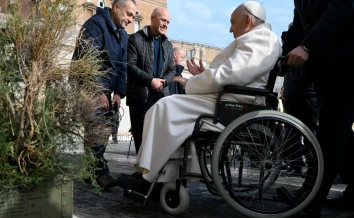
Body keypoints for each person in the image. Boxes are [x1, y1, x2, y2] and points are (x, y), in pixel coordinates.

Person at [119, 1, 282, 192]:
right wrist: (203, 76)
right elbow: (231, 73)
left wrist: (193, 82)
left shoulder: (261, 39)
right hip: (228, 97)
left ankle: (150, 178)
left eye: (233, 22)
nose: (230, 29)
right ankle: (160, 175)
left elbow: (229, 74)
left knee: (165, 107)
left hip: (233, 102)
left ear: (247, 20)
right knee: (167, 108)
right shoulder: (257, 38)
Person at [276, 0, 354, 218]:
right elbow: (301, 24)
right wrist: (281, 59)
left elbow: (341, 8)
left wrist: (307, 46)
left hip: (346, 62)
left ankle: (312, 198)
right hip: (324, 68)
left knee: (330, 131)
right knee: (339, 132)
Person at [72, 0, 137, 189]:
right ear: (116, 7)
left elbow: (121, 65)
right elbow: (89, 60)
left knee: (104, 129)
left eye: (133, 16)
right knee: (95, 126)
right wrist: (97, 90)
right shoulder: (94, 25)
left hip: (107, 87)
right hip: (89, 85)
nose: (131, 20)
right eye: (129, 14)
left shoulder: (123, 34)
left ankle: (90, 171)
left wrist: (118, 92)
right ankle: (100, 172)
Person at [126, 7, 176, 159]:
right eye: (163, 20)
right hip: (140, 97)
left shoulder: (168, 44)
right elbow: (130, 65)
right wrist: (150, 80)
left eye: (168, 22)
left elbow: (172, 70)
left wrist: (163, 83)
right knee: (141, 139)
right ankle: (141, 174)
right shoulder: (135, 39)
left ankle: (154, 175)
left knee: (158, 140)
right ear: (153, 18)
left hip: (161, 98)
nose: (165, 24)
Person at [280, 22, 319, 176]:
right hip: (292, 94)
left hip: (307, 95)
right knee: (292, 133)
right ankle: (296, 165)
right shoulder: (291, 52)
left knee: (311, 133)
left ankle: (313, 167)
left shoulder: (308, 48)